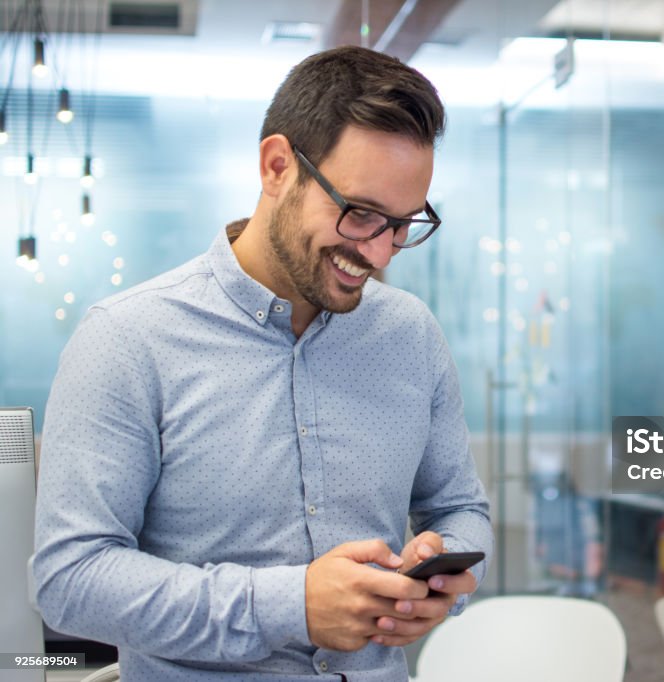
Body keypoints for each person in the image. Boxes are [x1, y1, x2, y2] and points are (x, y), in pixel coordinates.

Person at [31, 46, 492, 682]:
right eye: (359, 214)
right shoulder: (128, 340)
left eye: (403, 223)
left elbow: (463, 509)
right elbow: (71, 579)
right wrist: (290, 606)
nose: (381, 250)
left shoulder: (411, 334)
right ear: (278, 166)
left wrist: (445, 578)